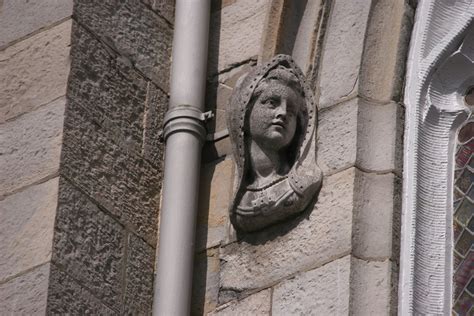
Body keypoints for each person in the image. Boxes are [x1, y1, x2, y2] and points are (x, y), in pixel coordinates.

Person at [227, 55, 322, 232]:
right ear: (245, 113)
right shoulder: (241, 203)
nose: (283, 113)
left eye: (292, 110)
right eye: (272, 102)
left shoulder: (303, 184)